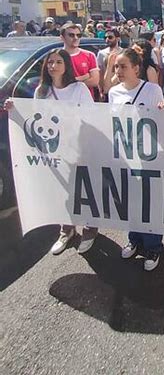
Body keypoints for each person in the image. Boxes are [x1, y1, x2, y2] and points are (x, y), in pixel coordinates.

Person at [5, 49, 95, 254]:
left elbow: (92, 116)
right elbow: (34, 118)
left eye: (58, 62)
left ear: (66, 66)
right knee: (61, 190)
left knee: (83, 189)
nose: (53, 66)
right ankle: (67, 229)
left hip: (78, 147)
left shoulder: (79, 88)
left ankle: (90, 228)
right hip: (54, 152)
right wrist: (14, 109)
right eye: (50, 62)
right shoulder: (41, 91)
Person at [108, 48, 164, 271]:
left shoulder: (152, 89)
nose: (119, 71)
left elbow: (162, 122)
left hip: (149, 156)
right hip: (127, 153)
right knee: (131, 198)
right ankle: (134, 238)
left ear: (136, 68)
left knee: (150, 201)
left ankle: (153, 246)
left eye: (123, 66)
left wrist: (163, 111)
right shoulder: (114, 92)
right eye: (116, 67)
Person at [61, 22, 100, 101]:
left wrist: (72, 82)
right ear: (62, 37)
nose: (76, 38)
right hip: (64, 102)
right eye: (71, 35)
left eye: (78, 35)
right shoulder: (56, 57)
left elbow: (95, 81)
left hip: (86, 102)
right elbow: (59, 82)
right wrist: (85, 77)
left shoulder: (90, 55)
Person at [97, 28, 122, 100]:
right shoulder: (101, 53)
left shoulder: (124, 52)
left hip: (121, 88)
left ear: (118, 39)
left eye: (110, 37)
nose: (107, 39)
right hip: (107, 89)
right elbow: (100, 73)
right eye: (105, 37)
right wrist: (100, 91)